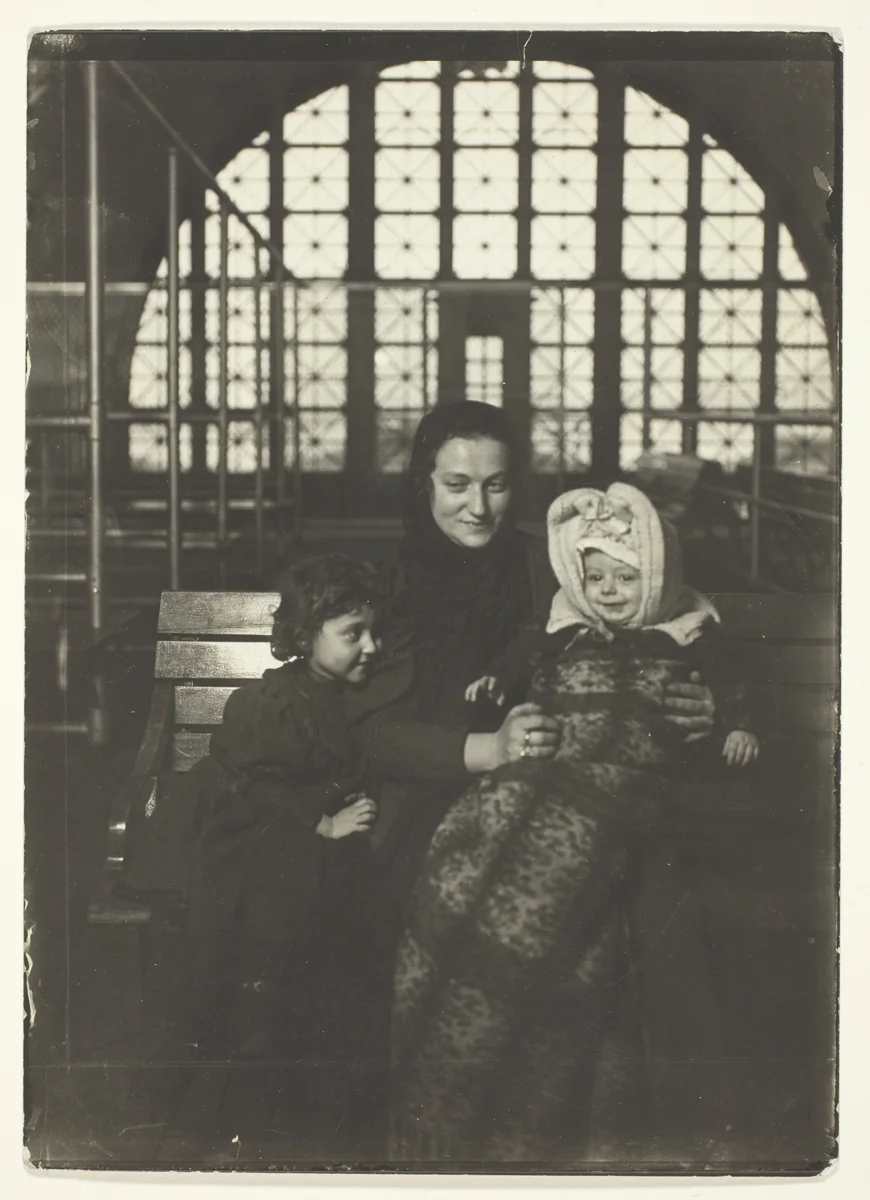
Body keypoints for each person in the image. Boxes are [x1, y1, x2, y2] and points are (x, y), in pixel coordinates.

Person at [341, 403, 718, 1149]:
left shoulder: (551, 563)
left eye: (498, 485)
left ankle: (568, 1137)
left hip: (566, 789)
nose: (477, 506)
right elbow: (373, 732)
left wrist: (700, 707)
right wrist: (481, 749)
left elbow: (639, 642)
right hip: (434, 794)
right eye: (456, 484)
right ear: (424, 484)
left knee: (630, 903)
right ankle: (461, 1129)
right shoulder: (390, 583)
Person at [389, 482, 765, 1163]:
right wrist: (497, 686)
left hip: (624, 786)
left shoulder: (685, 635)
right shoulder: (562, 630)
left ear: (655, 576)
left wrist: (731, 724)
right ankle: (458, 1091)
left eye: (626, 577)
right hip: (539, 774)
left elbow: (729, 692)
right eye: (596, 578)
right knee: (465, 850)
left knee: (566, 873)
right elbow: (519, 662)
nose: (610, 590)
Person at [122, 554, 384, 1159]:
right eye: (353, 634)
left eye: (374, 631)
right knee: (275, 905)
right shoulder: (274, 703)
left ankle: (301, 1086)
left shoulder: (340, 698)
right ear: (303, 636)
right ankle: (240, 1093)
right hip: (247, 832)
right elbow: (256, 788)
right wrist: (324, 820)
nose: (371, 646)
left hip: (290, 833)